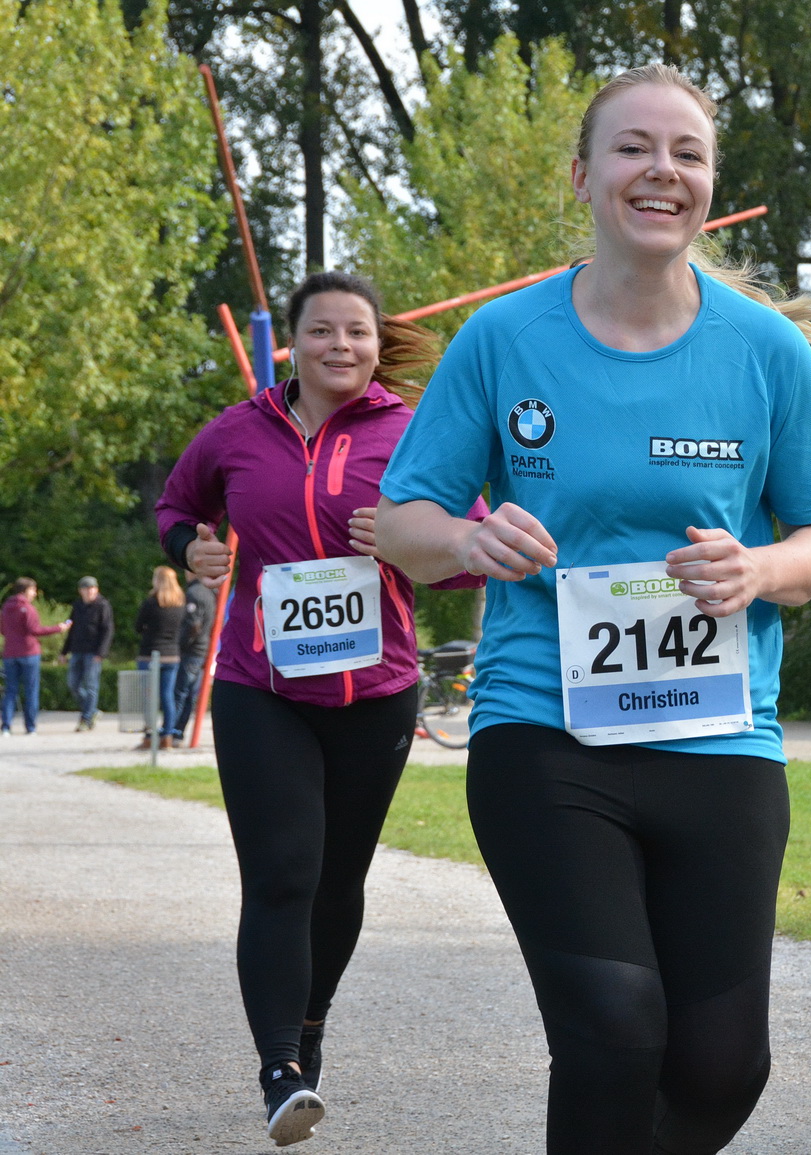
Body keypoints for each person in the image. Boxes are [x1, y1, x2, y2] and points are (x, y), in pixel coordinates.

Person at [374, 63, 811, 1155]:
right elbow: (398, 519)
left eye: (687, 154)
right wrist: (466, 539)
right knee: (613, 1028)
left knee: (724, 1064)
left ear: (709, 185)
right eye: (635, 148)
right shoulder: (505, 340)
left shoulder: (767, 349)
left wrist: (758, 572)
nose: (662, 172)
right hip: (548, 733)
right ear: (585, 174)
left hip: (719, 735)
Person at [157, 270, 486, 1147]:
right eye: (322, 331)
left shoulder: (414, 436)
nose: (341, 345)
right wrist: (192, 547)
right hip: (262, 687)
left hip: (377, 692)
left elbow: (474, 543)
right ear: (290, 343)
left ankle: (309, 1028)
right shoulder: (237, 432)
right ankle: (278, 1070)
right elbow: (176, 504)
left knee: (338, 880)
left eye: (358, 333)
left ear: (378, 346)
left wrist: (418, 550)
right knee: (282, 872)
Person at [2, 577, 71, 736]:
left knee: (10, 691)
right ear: (25, 591)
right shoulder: (28, 608)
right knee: (31, 690)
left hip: (10, 653)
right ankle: (30, 727)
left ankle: (6, 726)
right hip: (28, 653)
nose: (34, 593)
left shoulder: (6, 607)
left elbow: (3, 629)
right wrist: (58, 628)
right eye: (33, 590)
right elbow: (35, 630)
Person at [134, 566, 186, 748]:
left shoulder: (151, 602)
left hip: (150, 654)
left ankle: (149, 736)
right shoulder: (180, 604)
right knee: (167, 696)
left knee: (149, 697)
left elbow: (138, 626)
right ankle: (167, 735)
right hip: (172, 655)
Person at [167, 572, 216, 745]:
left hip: (191, 651)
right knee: (189, 695)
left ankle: (171, 732)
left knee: (179, 692)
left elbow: (193, 625)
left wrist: (180, 645)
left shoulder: (194, 593)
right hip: (202, 650)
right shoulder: (210, 592)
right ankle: (178, 732)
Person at [63, 576, 115, 731]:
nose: (89, 591)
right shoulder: (78, 606)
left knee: (91, 685)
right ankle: (92, 711)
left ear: (96, 589)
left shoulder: (103, 605)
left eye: (92, 588)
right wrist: (64, 651)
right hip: (77, 650)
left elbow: (108, 630)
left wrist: (101, 652)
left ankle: (86, 720)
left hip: (93, 651)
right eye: (86, 589)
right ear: (81, 591)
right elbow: (72, 629)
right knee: (73, 684)